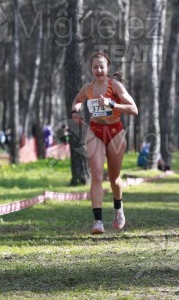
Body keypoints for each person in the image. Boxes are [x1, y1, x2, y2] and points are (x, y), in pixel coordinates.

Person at [71, 51, 138, 234]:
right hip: (95, 131)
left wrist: (112, 104)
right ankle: (98, 221)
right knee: (97, 175)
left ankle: (118, 209)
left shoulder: (115, 85)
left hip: (115, 132)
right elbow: (77, 100)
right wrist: (75, 112)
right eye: (95, 67)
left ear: (108, 68)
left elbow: (134, 109)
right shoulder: (88, 88)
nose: (99, 70)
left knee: (114, 178)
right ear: (91, 69)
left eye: (102, 66)